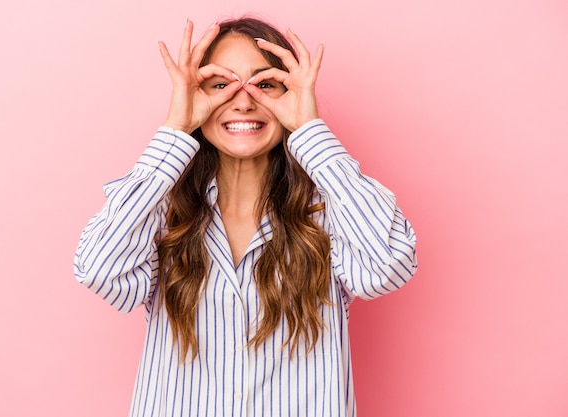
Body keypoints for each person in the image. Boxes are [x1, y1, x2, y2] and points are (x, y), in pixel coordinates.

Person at [74, 16, 417, 417]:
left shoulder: (327, 212)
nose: (243, 101)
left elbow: (389, 266)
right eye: (221, 85)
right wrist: (175, 129)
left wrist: (310, 129)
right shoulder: (162, 212)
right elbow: (99, 272)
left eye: (264, 84)